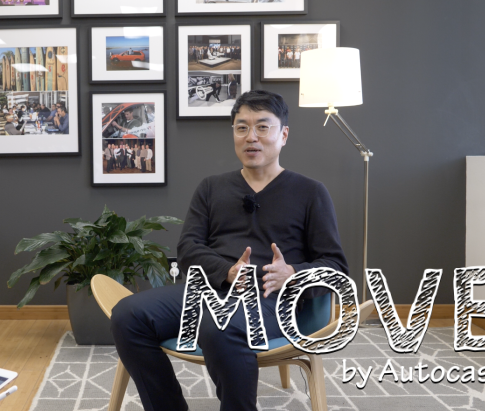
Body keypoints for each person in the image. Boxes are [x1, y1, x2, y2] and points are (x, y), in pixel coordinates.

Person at [111, 90, 348, 411]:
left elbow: (335, 267)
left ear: (283, 135)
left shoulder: (311, 192)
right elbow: (188, 249)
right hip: (207, 290)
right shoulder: (211, 188)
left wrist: (292, 274)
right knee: (128, 315)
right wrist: (228, 271)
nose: (251, 137)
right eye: (242, 127)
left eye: (263, 127)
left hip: (272, 300)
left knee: (220, 325)